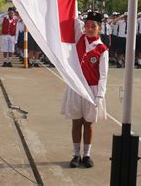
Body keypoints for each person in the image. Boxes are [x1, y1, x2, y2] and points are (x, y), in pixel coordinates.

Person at [60, 11, 108, 169]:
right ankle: (75, 154)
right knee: (76, 122)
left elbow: (103, 75)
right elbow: (73, 17)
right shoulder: (79, 38)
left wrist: (100, 95)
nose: (89, 28)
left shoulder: (102, 49)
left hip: (92, 89)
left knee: (88, 123)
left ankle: (86, 155)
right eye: (87, 25)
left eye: (93, 26)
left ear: (99, 28)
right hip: (76, 87)